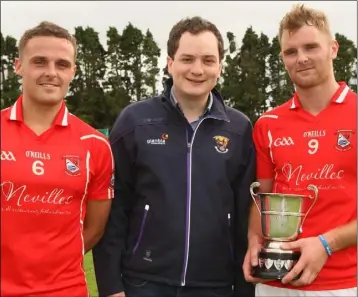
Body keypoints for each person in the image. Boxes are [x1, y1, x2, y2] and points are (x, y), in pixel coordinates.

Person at [93, 16, 255, 297]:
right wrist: (110, 287)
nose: (197, 69)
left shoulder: (239, 129)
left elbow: (245, 217)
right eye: (187, 59)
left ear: (220, 66)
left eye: (208, 60)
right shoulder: (135, 121)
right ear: (170, 63)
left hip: (215, 286)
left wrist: (244, 290)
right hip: (143, 283)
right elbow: (114, 209)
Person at [243, 4, 357, 297]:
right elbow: (262, 199)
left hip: (341, 283)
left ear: (333, 48)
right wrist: (254, 239)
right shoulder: (267, 124)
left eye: (311, 47)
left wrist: (326, 243)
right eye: (290, 52)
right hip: (275, 282)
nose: (301, 58)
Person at [1, 21, 114, 297]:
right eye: (39, 62)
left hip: (65, 290)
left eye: (62, 64)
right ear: (19, 66)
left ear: (73, 71)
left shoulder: (95, 145)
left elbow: (94, 229)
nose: (51, 73)